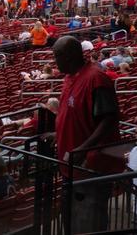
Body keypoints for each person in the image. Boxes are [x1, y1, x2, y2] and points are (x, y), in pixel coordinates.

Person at [52, 35, 123, 233]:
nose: (55, 62)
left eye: (57, 57)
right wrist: (56, 134)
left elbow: (109, 119)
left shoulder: (95, 78)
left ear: (70, 57)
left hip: (90, 166)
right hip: (71, 165)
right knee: (71, 219)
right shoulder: (69, 78)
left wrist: (83, 149)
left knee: (88, 221)